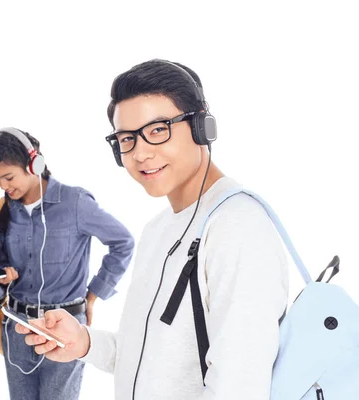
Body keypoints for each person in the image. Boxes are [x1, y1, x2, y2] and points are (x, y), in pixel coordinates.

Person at [16, 60, 289, 400]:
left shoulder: (237, 227)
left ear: (201, 125)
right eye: (127, 138)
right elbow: (149, 356)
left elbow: (240, 388)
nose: (141, 153)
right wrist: (85, 342)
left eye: (158, 129)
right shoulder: (157, 229)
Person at [0, 127, 135, 400]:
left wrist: (93, 296)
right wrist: (2, 275)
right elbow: (2, 261)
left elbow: (123, 242)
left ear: (34, 163)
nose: (4, 186)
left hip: (62, 326)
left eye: (8, 177)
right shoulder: (2, 210)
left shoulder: (75, 202)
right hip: (16, 328)